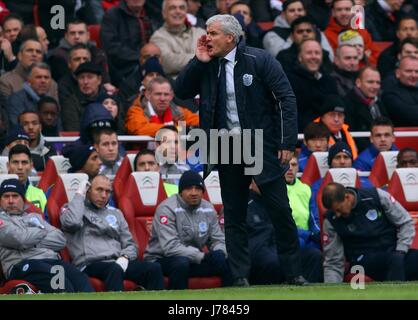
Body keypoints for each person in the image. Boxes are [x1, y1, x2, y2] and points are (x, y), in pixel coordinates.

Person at [175, 14, 307, 286]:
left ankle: (294, 272)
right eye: (207, 33)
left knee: (280, 211)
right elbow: (181, 90)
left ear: (230, 37)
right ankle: (239, 276)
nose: (207, 38)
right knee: (235, 215)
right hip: (226, 147)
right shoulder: (207, 64)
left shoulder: (260, 60)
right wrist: (197, 60)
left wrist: (286, 142)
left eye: (212, 34)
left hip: (260, 144)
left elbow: (286, 99)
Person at [60, 175, 165, 292]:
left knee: (153, 268)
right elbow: (72, 223)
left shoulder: (116, 213)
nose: (104, 196)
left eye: (108, 191)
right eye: (99, 190)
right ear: (88, 190)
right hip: (90, 264)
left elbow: (130, 244)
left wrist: (125, 257)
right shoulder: (72, 209)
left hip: (117, 262)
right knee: (113, 269)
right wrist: (79, 194)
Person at [0, 178, 94, 293]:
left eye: (15, 196)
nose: (10, 201)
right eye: (6, 196)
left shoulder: (35, 216)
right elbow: (20, 239)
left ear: (23, 200)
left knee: (80, 278)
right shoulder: (1, 219)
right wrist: (42, 230)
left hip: (50, 260)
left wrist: (31, 240)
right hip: (21, 264)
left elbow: (60, 240)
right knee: (58, 280)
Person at [144, 170, 233, 289]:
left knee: (228, 261)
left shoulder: (208, 208)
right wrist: (203, 257)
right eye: (189, 188)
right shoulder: (166, 209)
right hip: (161, 259)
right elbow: (170, 247)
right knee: (181, 263)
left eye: (198, 188)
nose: (194, 193)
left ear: (203, 191)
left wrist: (220, 252)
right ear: (181, 191)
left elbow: (218, 239)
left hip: (194, 259)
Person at [322, 182, 418, 282]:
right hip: (362, 261)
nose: (337, 215)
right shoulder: (330, 221)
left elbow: (405, 222)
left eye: (339, 209)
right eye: (334, 211)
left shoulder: (376, 196)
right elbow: (333, 261)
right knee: (393, 261)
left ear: (347, 197)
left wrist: (401, 250)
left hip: (393, 251)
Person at [247, 179, 323, 284]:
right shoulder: (245, 204)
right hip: (260, 250)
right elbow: (256, 239)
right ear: (251, 183)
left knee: (314, 256)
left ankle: (305, 294)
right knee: (274, 261)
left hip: (281, 247)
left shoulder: (277, 202)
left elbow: (288, 227)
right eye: (260, 180)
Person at [286, 39, 338, 131]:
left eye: (317, 53)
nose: (314, 57)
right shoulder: (289, 81)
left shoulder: (330, 81)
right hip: (301, 135)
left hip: (328, 135)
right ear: (300, 57)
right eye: (309, 53)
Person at [125, 76, 199, 137]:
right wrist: (176, 129)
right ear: (147, 95)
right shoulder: (136, 111)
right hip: (146, 154)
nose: (162, 99)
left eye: (166, 94)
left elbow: (199, 122)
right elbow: (140, 129)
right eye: (158, 94)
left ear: (171, 96)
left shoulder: (178, 112)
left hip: (173, 153)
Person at [150, 0, 206, 79]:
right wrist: (200, 57)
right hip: (175, 87)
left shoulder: (201, 33)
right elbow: (168, 63)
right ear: (164, 13)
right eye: (172, 8)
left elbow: (211, 56)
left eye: (182, 8)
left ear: (186, 12)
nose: (178, 11)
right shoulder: (157, 37)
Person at [344, 67, 388, 151]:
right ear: (358, 82)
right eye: (370, 82)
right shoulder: (347, 104)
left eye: (378, 83)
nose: (375, 86)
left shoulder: (379, 102)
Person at [6, 62, 54, 129]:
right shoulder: (16, 99)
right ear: (29, 80)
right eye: (38, 77)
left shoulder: (51, 101)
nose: (43, 81)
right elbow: (16, 126)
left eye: (46, 77)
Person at [60, 62, 106, 131]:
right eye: (81, 78)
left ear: (99, 80)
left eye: (90, 77)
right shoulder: (70, 103)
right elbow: (72, 130)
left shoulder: (109, 99)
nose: (85, 82)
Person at [7, 144, 47, 214]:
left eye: (24, 162)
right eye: (15, 162)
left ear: (31, 166)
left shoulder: (40, 194)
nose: (20, 167)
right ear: (8, 166)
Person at [382, 56, 418, 126]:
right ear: (398, 73)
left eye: (417, 71)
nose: (414, 75)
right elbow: (410, 116)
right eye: (409, 71)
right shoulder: (389, 94)